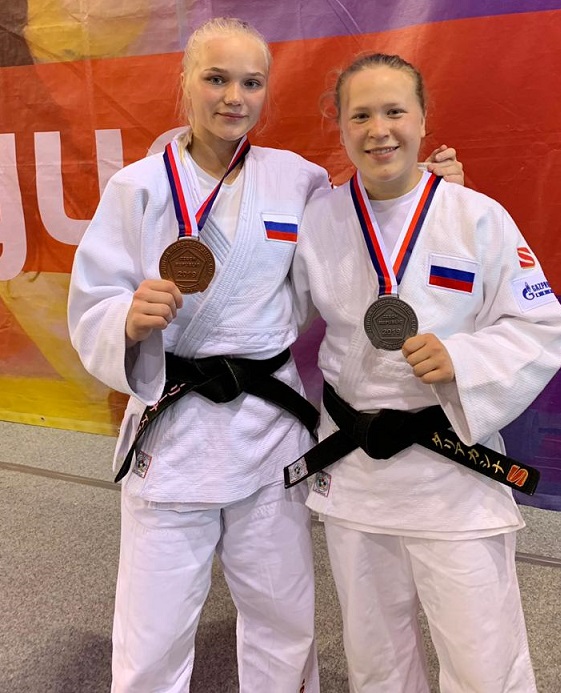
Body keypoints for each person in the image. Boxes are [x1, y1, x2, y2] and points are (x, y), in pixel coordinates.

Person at [67, 18, 464, 693]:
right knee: (153, 633)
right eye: (215, 78)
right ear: (184, 82)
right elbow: (92, 300)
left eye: (251, 82)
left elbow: (356, 234)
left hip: (267, 425)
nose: (234, 96)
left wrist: (423, 185)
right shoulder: (137, 188)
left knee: (284, 617)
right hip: (178, 427)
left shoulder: (296, 180)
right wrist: (125, 319)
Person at [289, 53, 561, 692]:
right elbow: (275, 313)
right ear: (340, 125)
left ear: (422, 119)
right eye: (360, 115)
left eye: (395, 111)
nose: (379, 130)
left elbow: (541, 325)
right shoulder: (321, 219)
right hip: (357, 469)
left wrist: (462, 361)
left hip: (451, 473)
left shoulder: (476, 215)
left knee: (483, 661)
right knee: (375, 660)